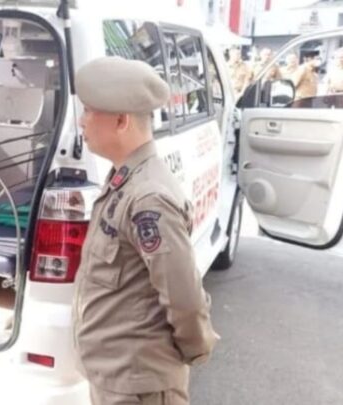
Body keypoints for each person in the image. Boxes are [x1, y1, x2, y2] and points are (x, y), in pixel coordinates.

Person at [72, 57, 219, 405]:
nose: (82, 121)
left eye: (89, 111)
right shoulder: (125, 178)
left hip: (139, 385)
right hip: (119, 377)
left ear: (121, 121)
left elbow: (184, 297)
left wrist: (194, 350)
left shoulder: (149, 197)